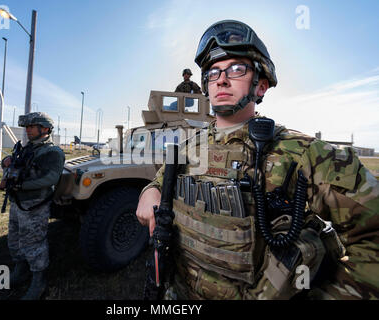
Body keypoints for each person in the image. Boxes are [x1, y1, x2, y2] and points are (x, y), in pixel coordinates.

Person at [137, 20, 379, 300]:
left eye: (236, 69)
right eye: (213, 72)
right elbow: (161, 180)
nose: (222, 79)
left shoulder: (304, 154)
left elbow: (371, 236)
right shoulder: (188, 146)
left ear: (261, 86)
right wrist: (150, 191)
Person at [0, 112, 65, 300]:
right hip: (18, 202)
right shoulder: (27, 148)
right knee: (15, 238)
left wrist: (21, 185)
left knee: (34, 242)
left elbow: (51, 178)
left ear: (44, 129)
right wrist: (6, 162)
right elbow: (15, 167)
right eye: (26, 127)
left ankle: (39, 280)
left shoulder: (52, 152)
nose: (27, 130)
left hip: (35, 204)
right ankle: (21, 271)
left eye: (31, 127)